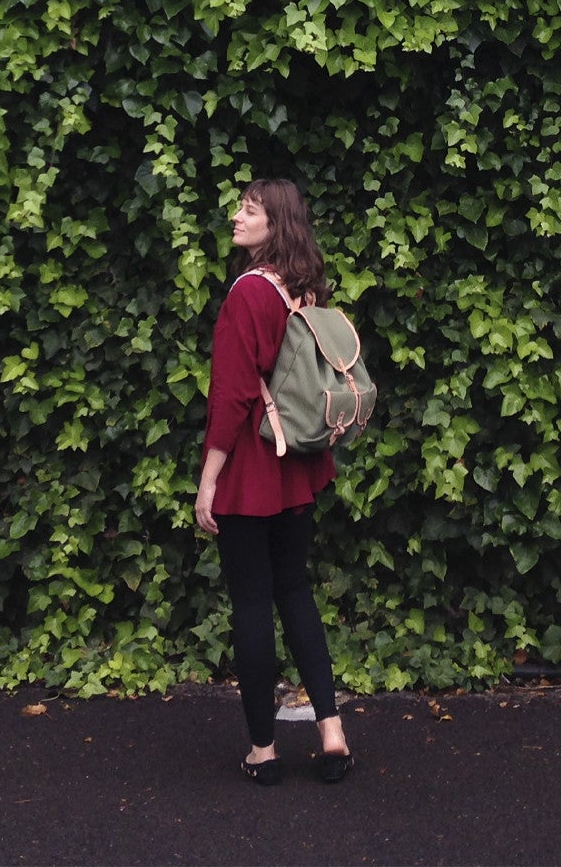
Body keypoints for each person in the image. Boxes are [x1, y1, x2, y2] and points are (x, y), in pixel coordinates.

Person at [194, 178, 354, 785]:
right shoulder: (303, 288)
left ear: (275, 223)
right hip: (299, 467)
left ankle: (263, 750)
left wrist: (208, 481)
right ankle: (332, 733)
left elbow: (233, 397)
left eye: (250, 210)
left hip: (252, 469)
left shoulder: (248, 294)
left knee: (252, 603)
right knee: (296, 591)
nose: (237, 217)